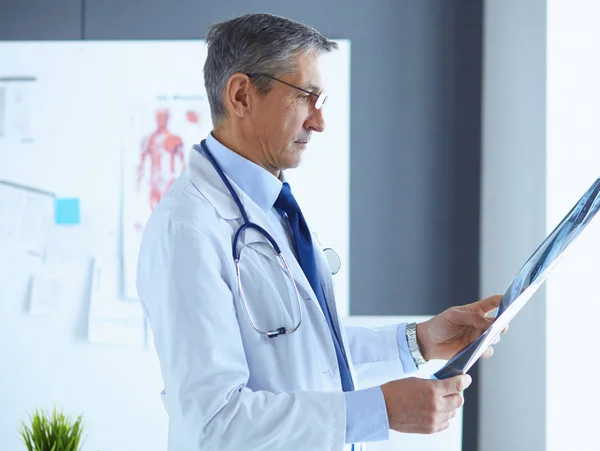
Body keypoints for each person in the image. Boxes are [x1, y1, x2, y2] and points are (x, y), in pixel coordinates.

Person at [136, 13, 502, 451]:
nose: (319, 122)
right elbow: (214, 423)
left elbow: (308, 355)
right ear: (240, 95)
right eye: (306, 97)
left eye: (321, 99)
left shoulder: (269, 208)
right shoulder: (189, 228)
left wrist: (420, 341)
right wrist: (378, 412)